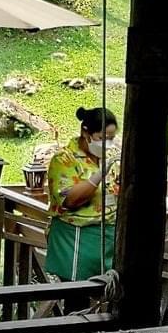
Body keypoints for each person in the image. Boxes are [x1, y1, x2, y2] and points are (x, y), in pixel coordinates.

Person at [45, 106, 120, 282]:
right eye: (102, 138)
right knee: (77, 299)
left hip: (108, 236)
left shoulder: (109, 158)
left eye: (111, 139)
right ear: (86, 133)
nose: (107, 144)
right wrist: (97, 177)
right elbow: (70, 199)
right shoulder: (64, 159)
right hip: (77, 237)